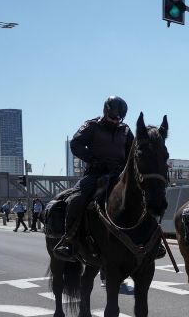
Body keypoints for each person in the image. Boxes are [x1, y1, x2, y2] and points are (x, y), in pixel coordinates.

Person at [53, 96, 134, 261]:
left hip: (119, 174)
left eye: (119, 118)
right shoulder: (92, 125)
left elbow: (133, 151)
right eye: (113, 117)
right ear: (105, 111)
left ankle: (152, 239)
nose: (116, 121)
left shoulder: (125, 130)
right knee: (77, 198)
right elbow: (75, 144)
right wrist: (95, 161)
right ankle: (69, 240)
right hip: (96, 173)